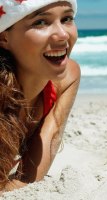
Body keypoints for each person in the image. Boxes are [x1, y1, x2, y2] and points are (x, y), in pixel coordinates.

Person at [0, 0, 80, 192]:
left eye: (67, 19)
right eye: (40, 22)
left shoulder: (67, 77)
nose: (62, 34)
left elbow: (27, 180)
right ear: (3, 38)